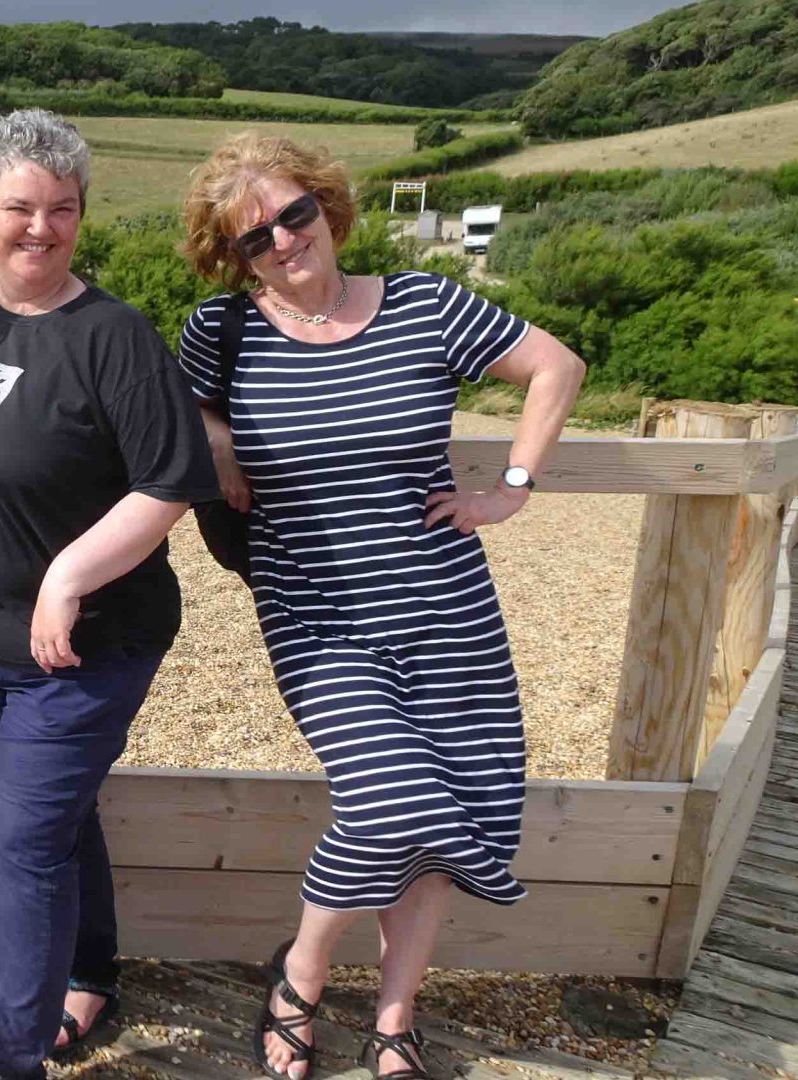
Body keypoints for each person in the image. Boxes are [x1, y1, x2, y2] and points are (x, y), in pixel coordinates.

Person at [173, 132, 586, 1080]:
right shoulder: (221, 332)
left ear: (326, 206)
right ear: (231, 257)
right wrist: (221, 442)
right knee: (392, 797)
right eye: (254, 237)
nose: (282, 240)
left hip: (449, 610)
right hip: (316, 616)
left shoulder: (424, 303)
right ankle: (303, 975)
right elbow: (182, 418)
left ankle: (396, 1014)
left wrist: (512, 486)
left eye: (294, 214)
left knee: (453, 810)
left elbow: (555, 368)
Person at [0, 109, 222, 1080]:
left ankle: (12, 1059)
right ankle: (91, 972)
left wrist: (67, 579)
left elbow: (168, 480)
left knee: (22, 841)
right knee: (56, 816)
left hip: (84, 646)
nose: (40, 228)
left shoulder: (111, 336)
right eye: (19, 208)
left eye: (63, 210)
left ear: (82, 218)